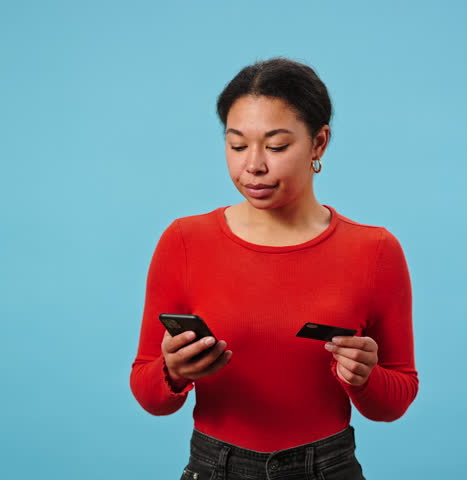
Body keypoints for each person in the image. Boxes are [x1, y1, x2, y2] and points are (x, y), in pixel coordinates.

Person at [130, 56, 419, 480]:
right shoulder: (184, 241)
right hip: (215, 467)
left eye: (277, 146)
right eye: (237, 145)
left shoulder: (374, 250)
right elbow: (149, 393)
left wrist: (365, 378)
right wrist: (171, 372)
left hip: (327, 466)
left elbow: (395, 402)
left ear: (319, 143)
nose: (254, 165)